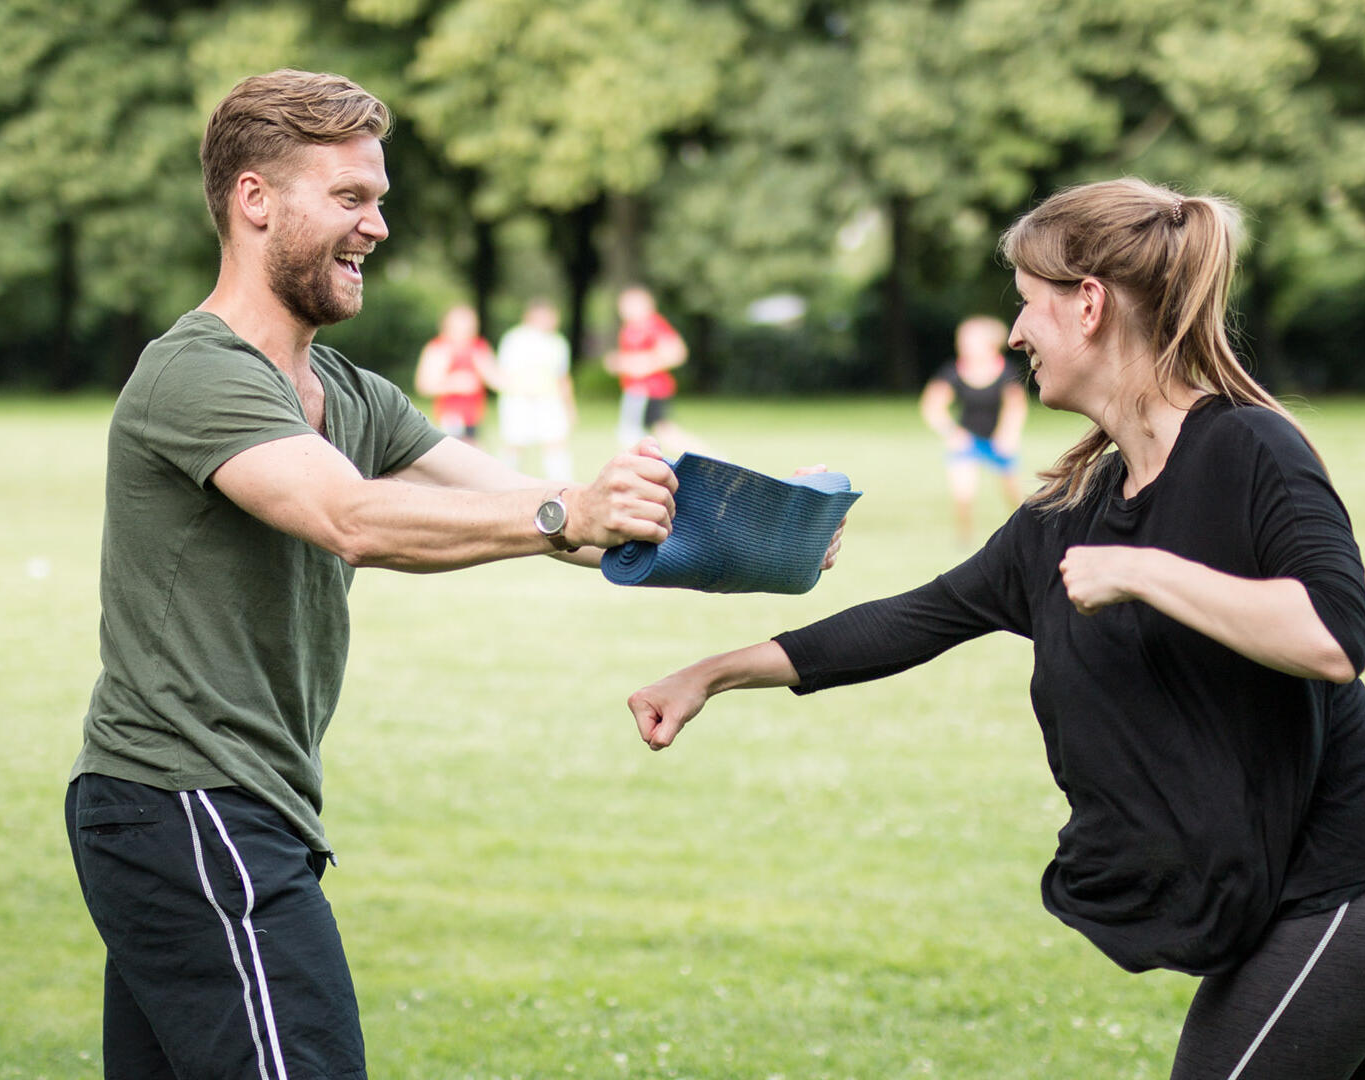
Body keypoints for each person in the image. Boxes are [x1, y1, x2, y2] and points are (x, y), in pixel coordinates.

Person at [64, 69, 846, 1080]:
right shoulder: (197, 374)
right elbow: (352, 519)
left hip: (214, 811)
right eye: (350, 198)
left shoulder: (348, 391)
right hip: (186, 803)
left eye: (379, 200)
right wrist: (566, 511)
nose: (376, 226)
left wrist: (762, 533)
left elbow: (537, 503)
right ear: (255, 200)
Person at [628, 178, 1365, 1079]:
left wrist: (1147, 573)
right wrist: (709, 674)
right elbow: (916, 619)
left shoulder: (1251, 447)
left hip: (1354, 878)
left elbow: (1333, 637)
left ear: (1090, 306)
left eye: (1027, 306)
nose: (1016, 333)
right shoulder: (1072, 509)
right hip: (1285, 883)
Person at [918, 315, 1028, 545]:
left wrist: (1008, 435)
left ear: (990, 344)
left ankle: (1026, 531)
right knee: (963, 493)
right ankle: (965, 540)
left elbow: (1016, 407)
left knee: (1012, 494)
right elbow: (932, 406)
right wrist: (952, 433)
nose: (963, 344)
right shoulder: (953, 372)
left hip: (998, 441)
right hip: (968, 441)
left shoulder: (1006, 372)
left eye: (970, 340)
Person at [603, 285, 706, 454]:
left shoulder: (653, 325)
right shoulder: (629, 329)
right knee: (649, 434)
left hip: (650, 390)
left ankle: (709, 458)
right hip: (636, 391)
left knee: (647, 434)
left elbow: (676, 353)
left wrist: (642, 365)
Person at [495, 298, 576, 481]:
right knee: (514, 443)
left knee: (555, 443)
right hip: (519, 399)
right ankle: (503, 482)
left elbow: (562, 377)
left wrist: (569, 406)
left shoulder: (557, 342)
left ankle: (562, 484)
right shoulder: (514, 339)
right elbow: (503, 373)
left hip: (548, 399)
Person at [413, 303, 495, 444]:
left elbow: (496, 378)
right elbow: (424, 386)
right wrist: (454, 383)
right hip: (450, 418)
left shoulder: (479, 347)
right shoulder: (438, 349)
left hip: (475, 416)